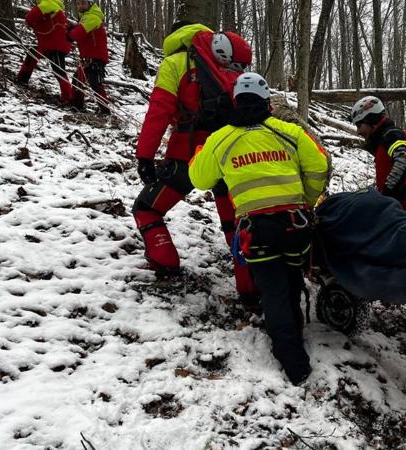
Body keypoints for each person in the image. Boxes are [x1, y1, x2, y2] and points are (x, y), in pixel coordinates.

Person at [188, 72, 330, 385]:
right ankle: (295, 337)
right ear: (266, 101)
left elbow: (198, 179)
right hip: (295, 224)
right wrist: (305, 201)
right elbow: (320, 165)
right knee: (291, 280)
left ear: (236, 101)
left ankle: (294, 363)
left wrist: (201, 152)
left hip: (258, 228)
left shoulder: (221, 138)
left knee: (274, 290)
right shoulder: (288, 131)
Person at [131, 22, 258, 306]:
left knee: (147, 209)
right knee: (235, 224)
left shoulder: (176, 63)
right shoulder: (226, 61)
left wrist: (145, 156)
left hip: (187, 154)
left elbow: (159, 110)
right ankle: (251, 290)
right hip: (229, 152)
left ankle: (165, 262)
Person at [348, 96, 406, 220]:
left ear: (371, 120)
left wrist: (386, 195)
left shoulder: (392, 135)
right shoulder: (385, 138)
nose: (358, 131)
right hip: (405, 207)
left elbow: (403, 159)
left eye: (359, 125)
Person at [16, 0, 73, 104]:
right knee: (32, 54)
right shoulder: (53, 6)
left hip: (56, 44)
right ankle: (22, 79)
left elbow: (30, 17)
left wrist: (29, 22)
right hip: (48, 43)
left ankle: (68, 97)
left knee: (58, 70)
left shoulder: (48, 4)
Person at [67, 0, 109, 114]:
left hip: (95, 58)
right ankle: (77, 107)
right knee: (78, 80)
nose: (80, 6)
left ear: (90, 4)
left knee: (95, 84)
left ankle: (105, 111)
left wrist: (69, 32)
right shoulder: (86, 18)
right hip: (88, 57)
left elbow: (77, 34)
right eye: (78, 4)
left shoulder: (92, 17)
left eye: (83, 3)